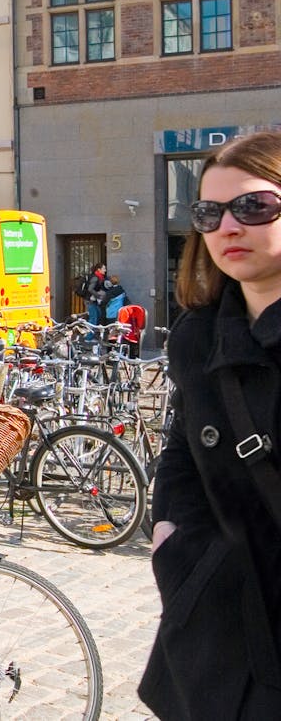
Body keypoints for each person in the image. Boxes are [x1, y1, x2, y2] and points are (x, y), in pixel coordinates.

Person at [141, 131, 281, 718]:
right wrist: (171, 537)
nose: (228, 226)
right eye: (209, 211)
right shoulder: (198, 337)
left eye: (253, 206)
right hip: (218, 625)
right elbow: (182, 450)